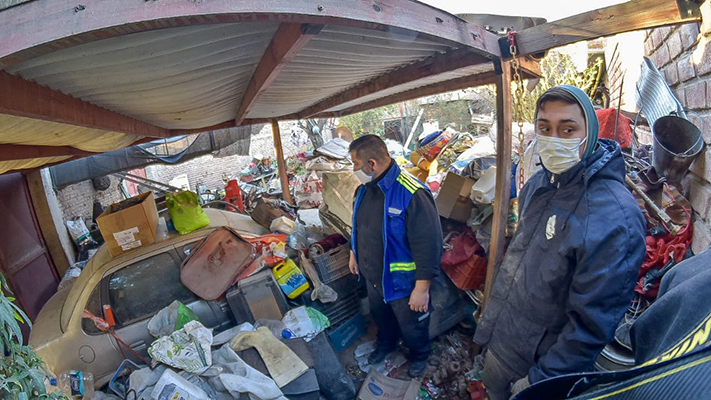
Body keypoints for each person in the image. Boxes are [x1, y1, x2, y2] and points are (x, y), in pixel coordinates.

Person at [473, 85, 647, 399]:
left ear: (589, 133)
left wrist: (541, 382)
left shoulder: (615, 217)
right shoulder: (540, 183)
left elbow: (590, 326)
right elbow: (520, 264)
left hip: (535, 368)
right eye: (545, 129)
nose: (554, 139)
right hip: (504, 341)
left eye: (568, 129)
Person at [348, 134, 443, 378]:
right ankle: (386, 344)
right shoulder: (364, 190)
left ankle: (420, 355)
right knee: (382, 317)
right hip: (373, 276)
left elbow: (429, 245)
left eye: (356, 166)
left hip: (403, 283)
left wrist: (422, 288)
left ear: (372, 164)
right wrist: (353, 253)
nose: (353, 170)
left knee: (413, 326)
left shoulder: (412, 193)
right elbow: (359, 225)